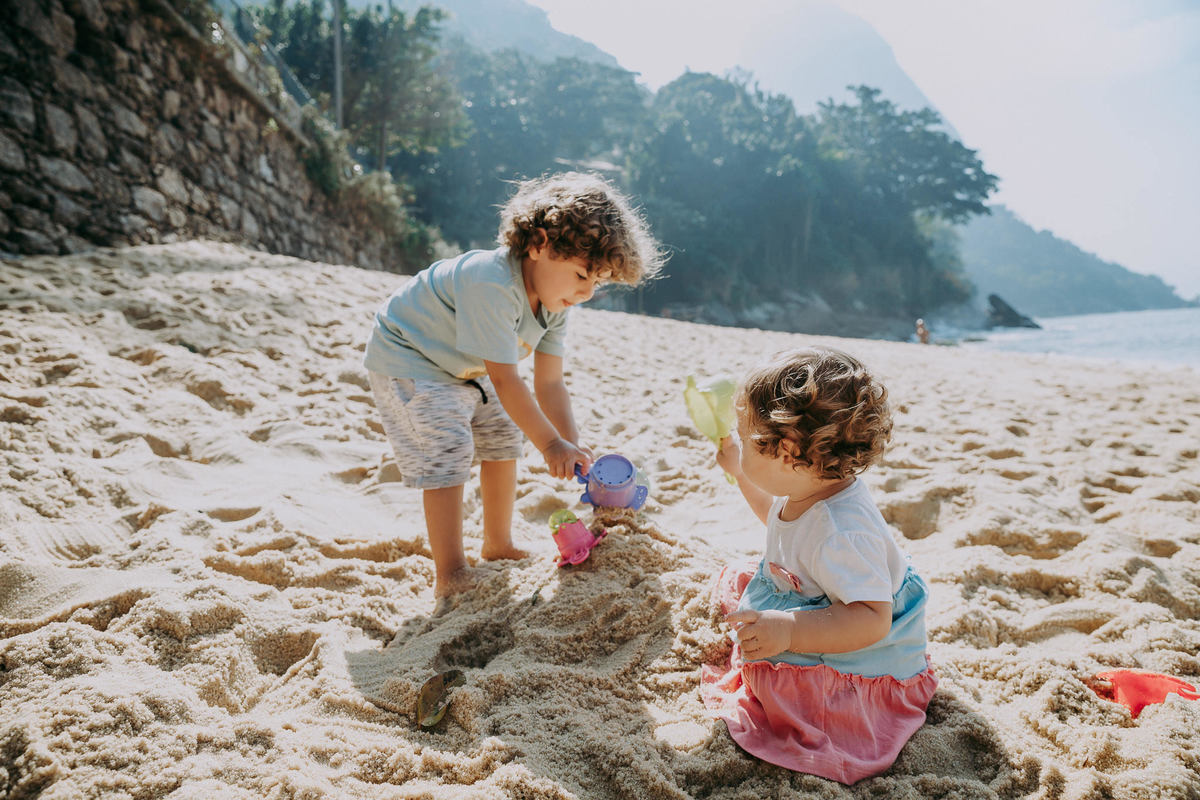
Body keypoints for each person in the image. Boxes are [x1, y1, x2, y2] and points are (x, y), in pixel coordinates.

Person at [364, 173, 663, 601]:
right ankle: (450, 571)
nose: (586, 292)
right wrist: (550, 445)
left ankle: (497, 543)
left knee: (505, 433)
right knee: (449, 448)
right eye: (581, 274)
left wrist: (569, 443)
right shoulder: (491, 283)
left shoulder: (555, 303)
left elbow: (550, 382)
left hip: (466, 365)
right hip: (412, 355)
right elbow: (506, 379)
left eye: (596, 283)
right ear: (539, 243)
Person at [701, 347, 937, 784]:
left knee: (775, 683)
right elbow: (780, 522)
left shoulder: (841, 532)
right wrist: (740, 470)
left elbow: (872, 618)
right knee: (741, 580)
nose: (739, 442)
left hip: (864, 645)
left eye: (746, 439)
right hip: (827, 595)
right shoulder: (809, 487)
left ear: (787, 451)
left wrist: (790, 630)